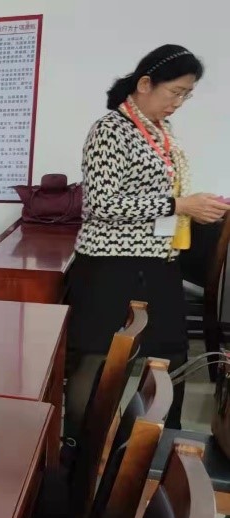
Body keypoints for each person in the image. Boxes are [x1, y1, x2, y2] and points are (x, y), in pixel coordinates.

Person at [66, 45, 226, 435]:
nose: (178, 103)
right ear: (144, 84)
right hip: (112, 264)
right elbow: (102, 203)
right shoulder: (110, 129)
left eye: (186, 95)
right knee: (99, 360)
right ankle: (79, 449)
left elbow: (157, 193)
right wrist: (179, 204)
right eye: (175, 92)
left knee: (170, 356)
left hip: (158, 261)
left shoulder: (160, 131)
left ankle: (159, 446)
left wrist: (195, 205)